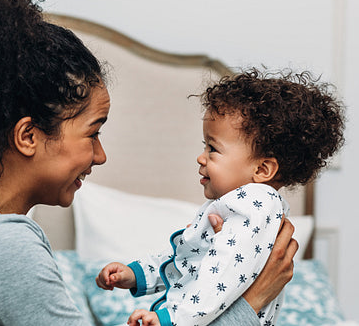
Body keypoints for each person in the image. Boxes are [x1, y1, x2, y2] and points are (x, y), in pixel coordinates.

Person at [0, 0, 297, 325]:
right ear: (29, 136)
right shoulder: (0, 243)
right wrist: (253, 301)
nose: (101, 155)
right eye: (93, 132)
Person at [96, 69, 345, 326]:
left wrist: (171, 319)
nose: (201, 157)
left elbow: (221, 274)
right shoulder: (241, 206)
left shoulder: (256, 204)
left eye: (213, 148)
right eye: (204, 146)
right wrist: (138, 274)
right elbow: (191, 259)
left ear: (262, 169)